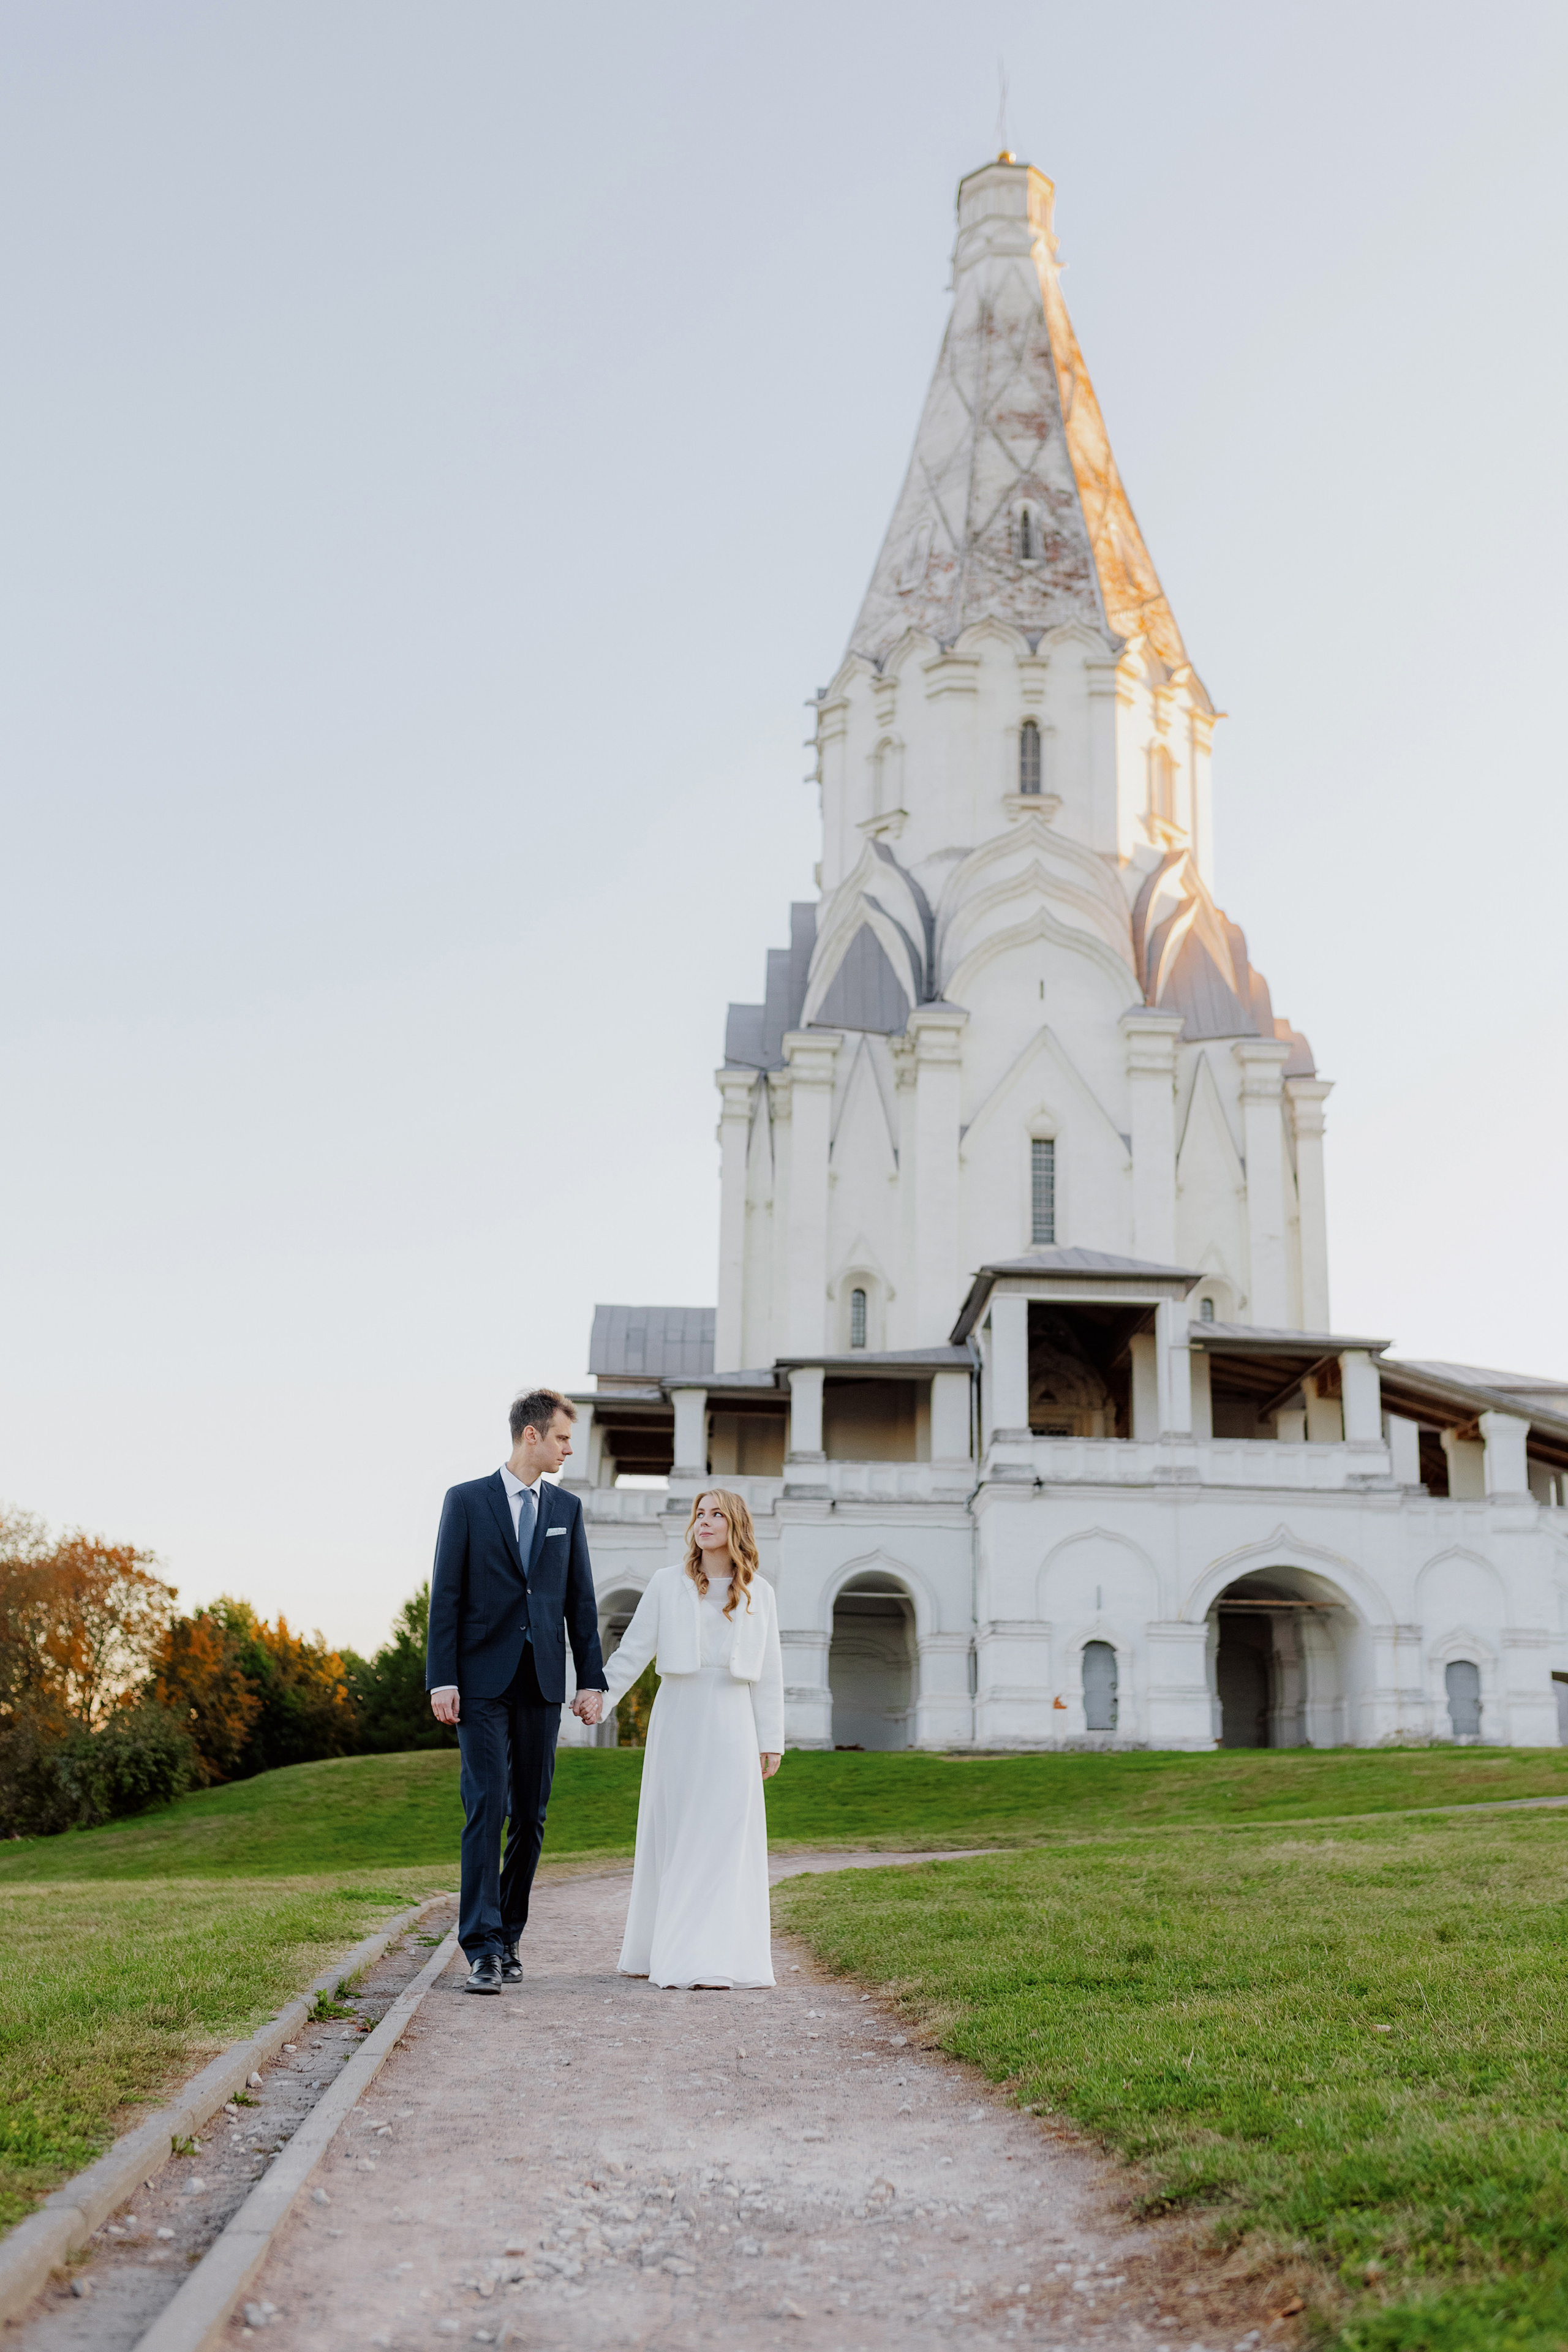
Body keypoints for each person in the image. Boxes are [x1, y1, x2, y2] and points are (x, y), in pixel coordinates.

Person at [426, 1387, 608, 1994]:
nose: (567, 1449)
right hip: (479, 1683)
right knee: (488, 1807)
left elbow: (580, 1603)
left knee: (529, 1816)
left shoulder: (566, 1510)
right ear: (530, 1435)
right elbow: (445, 1597)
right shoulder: (467, 1502)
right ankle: (480, 1946)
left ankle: (509, 1938)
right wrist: (442, 1678)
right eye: (560, 1438)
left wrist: (591, 1681)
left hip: (540, 1682)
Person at [600, 1488, 783, 1989]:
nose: (704, 1522)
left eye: (716, 1514)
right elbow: (633, 1650)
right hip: (679, 1716)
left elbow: (769, 1673)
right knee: (679, 1834)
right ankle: (672, 1954)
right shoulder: (666, 1584)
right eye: (699, 1515)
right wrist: (601, 1698)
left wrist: (772, 1739)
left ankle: (716, 1957)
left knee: (724, 1836)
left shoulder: (758, 1593)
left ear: (736, 1525)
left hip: (732, 1722)